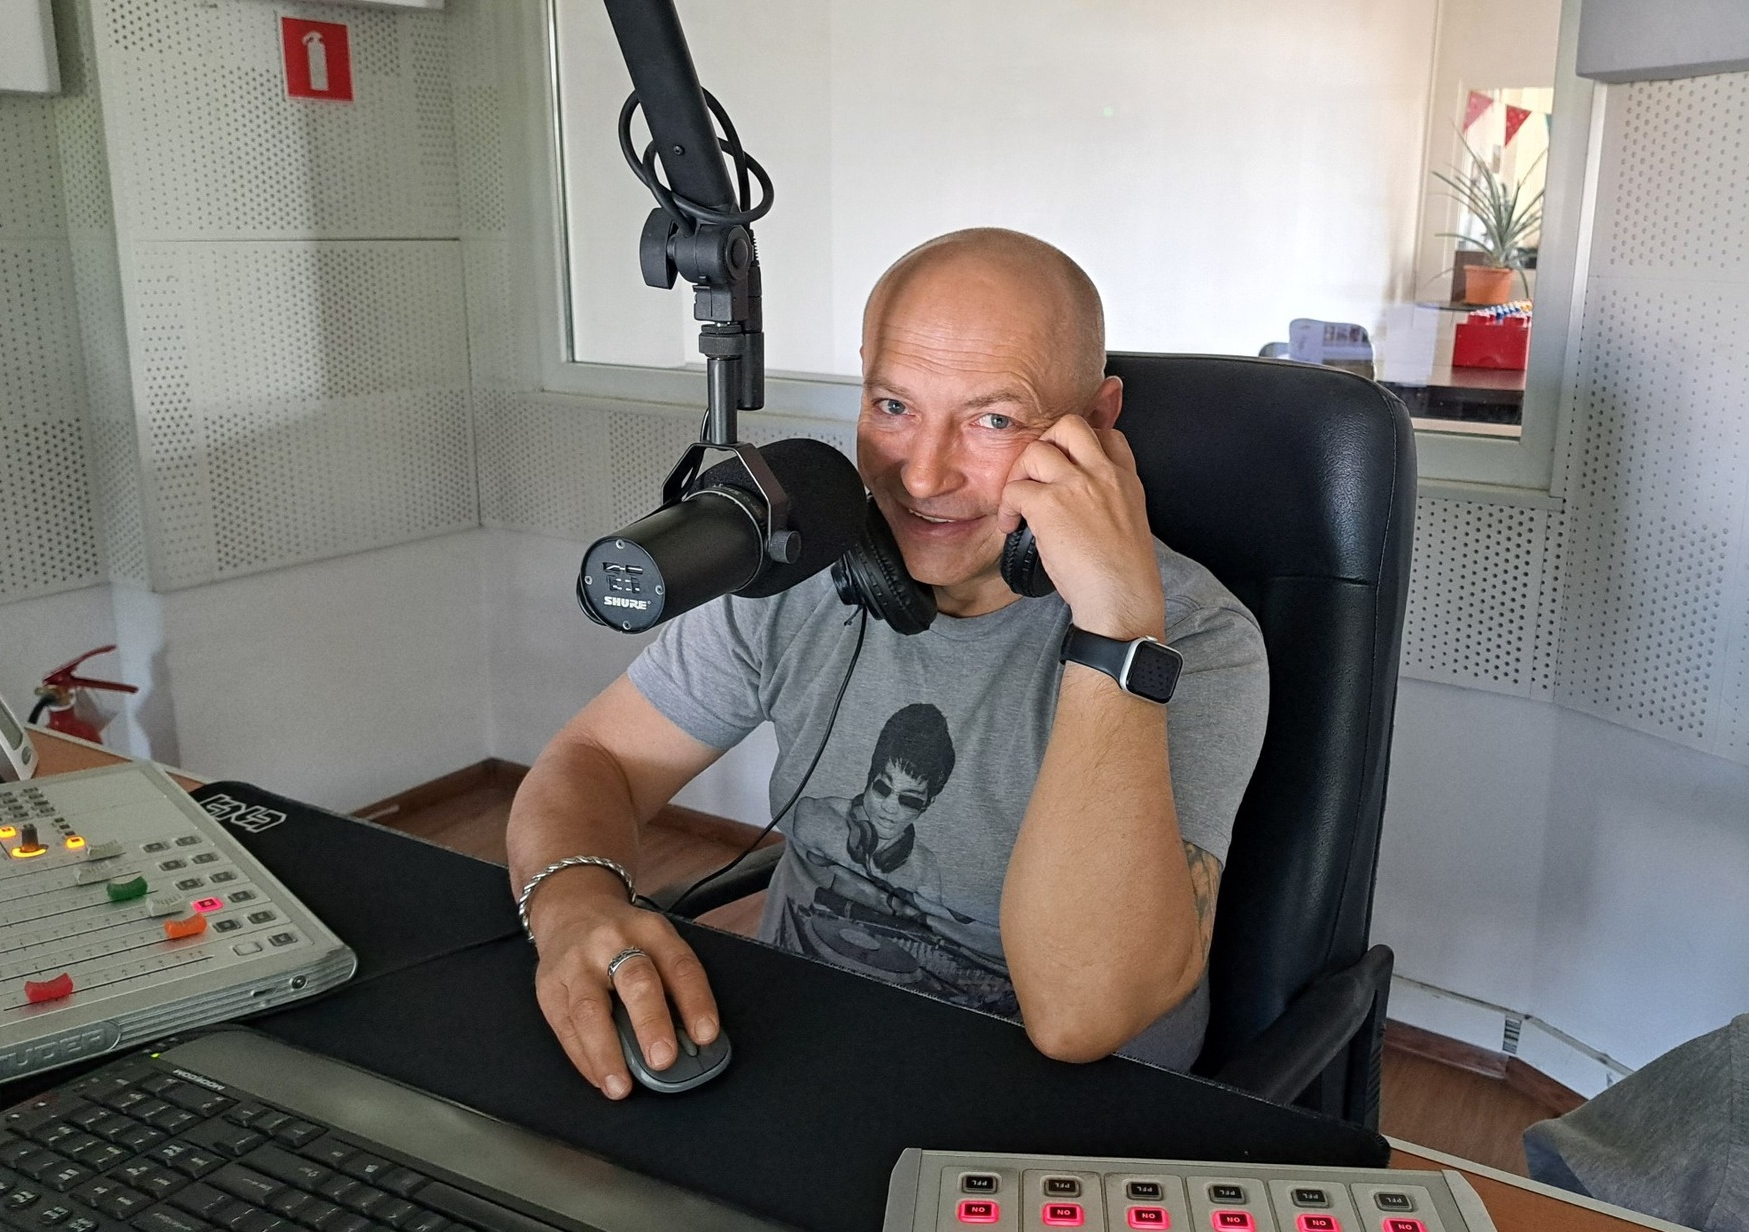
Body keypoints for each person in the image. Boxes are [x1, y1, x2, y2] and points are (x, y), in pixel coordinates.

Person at [506, 228, 1269, 1099]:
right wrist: (574, 903)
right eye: (894, 406)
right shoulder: (803, 566)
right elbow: (598, 758)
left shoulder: (1195, 637)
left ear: (1094, 424)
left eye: (992, 420)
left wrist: (1115, 627)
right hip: (803, 1044)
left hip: (1067, 1111)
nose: (923, 477)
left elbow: (1079, 1020)